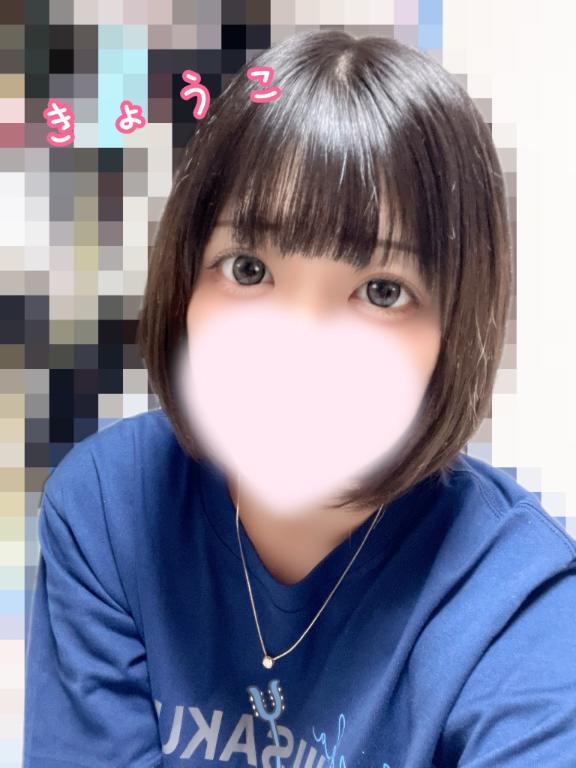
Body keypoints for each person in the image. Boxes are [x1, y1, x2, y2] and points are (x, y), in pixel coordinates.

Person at [23, 30, 576, 768]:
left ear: (455, 328)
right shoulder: (110, 510)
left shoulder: (516, 599)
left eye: (381, 291)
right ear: (185, 282)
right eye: (248, 270)